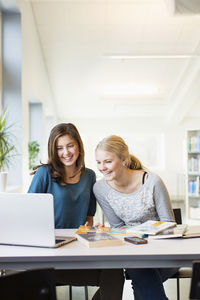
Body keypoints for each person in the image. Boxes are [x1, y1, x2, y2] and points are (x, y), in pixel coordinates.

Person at [28, 123, 124, 300]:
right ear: (53, 150)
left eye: (70, 145)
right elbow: (27, 215)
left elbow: (88, 220)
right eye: (59, 148)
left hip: (77, 252)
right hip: (49, 257)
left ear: (78, 145)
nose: (66, 152)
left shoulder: (89, 176)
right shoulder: (44, 174)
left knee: (114, 271)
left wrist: (94, 230)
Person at [93, 135, 178, 300]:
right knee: (141, 270)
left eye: (108, 162)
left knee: (142, 273)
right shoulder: (100, 189)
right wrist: (108, 231)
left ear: (124, 160)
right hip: (133, 252)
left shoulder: (152, 182)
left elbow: (169, 224)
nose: (102, 168)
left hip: (163, 252)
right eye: (98, 162)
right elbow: (118, 227)